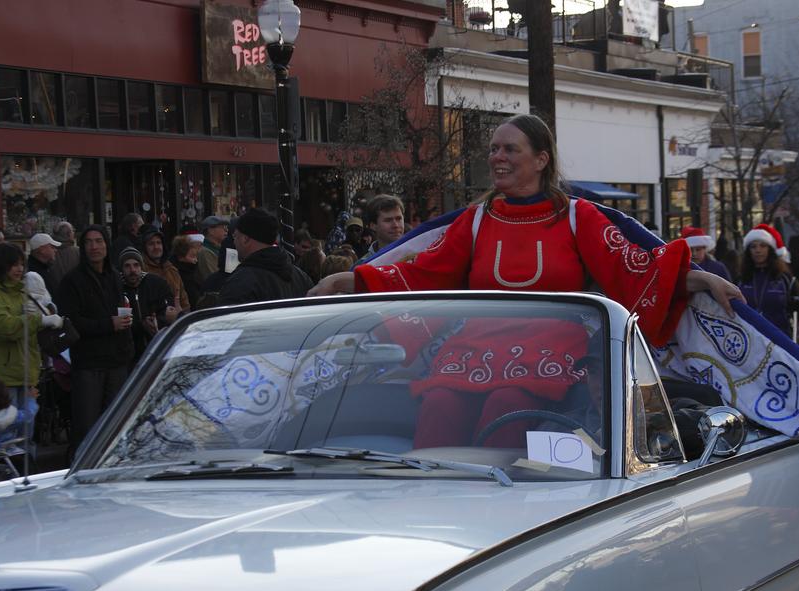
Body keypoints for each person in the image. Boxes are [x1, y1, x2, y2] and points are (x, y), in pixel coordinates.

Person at [310, 113, 741, 449]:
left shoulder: (577, 216)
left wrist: (697, 279)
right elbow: (423, 272)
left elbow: (631, 270)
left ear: (540, 159)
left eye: (510, 149)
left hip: (553, 351)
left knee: (507, 407)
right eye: (494, 148)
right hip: (474, 349)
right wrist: (353, 279)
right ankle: (430, 510)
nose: (497, 157)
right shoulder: (476, 220)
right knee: (438, 405)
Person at [55, 225, 135, 461]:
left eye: (99, 241)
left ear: (106, 245)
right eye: (89, 242)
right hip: (89, 362)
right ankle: (81, 465)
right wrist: (107, 324)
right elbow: (71, 321)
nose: (94, 246)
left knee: (115, 422)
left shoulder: (114, 276)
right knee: (87, 425)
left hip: (117, 359)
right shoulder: (72, 281)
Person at [0, 243, 61, 447]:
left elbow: (32, 322)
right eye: (13, 264)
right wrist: (38, 321)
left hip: (25, 371)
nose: (19, 269)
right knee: (5, 439)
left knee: (26, 435)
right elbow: (5, 326)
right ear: (0, 265)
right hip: (2, 375)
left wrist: (48, 312)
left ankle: (28, 475)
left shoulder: (22, 291)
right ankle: (6, 475)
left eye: (22, 264)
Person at [217, 208, 314, 306]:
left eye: (235, 236)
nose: (234, 242)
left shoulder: (241, 282)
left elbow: (228, 319)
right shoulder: (301, 277)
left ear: (245, 239)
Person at [737, 224, 799, 337]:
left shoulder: (786, 279)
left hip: (780, 339)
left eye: (763, 246)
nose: (758, 250)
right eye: (753, 247)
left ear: (771, 249)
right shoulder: (741, 279)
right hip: (750, 339)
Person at [119, 247, 178, 365]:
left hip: (157, 349)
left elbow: (169, 311)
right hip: (128, 354)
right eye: (127, 266)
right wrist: (141, 325)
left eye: (136, 265)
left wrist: (156, 322)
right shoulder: (116, 288)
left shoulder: (157, 283)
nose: (132, 270)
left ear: (141, 266)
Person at [141, 229, 190, 312]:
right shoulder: (142, 270)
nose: (156, 247)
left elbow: (184, 302)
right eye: (151, 244)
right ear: (145, 248)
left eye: (158, 243)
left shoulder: (172, 270)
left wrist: (182, 316)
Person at [359, 195, 406, 262]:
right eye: (388, 220)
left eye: (398, 219)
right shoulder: (363, 265)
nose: (395, 225)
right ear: (373, 225)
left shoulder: (418, 256)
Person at [170, 234, 203, 310]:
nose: (195, 260)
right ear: (181, 256)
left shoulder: (191, 271)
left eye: (196, 256)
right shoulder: (178, 274)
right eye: (192, 256)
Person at [47, 221, 80, 292]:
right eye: (73, 231)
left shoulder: (49, 252)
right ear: (69, 234)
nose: (74, 233)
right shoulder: (78, 252)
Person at [196, 215, 228, 284]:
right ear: (211, 231)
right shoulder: (205, 252)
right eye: (222, 227)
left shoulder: (218, 249)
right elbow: (214, 279)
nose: (226, 230)